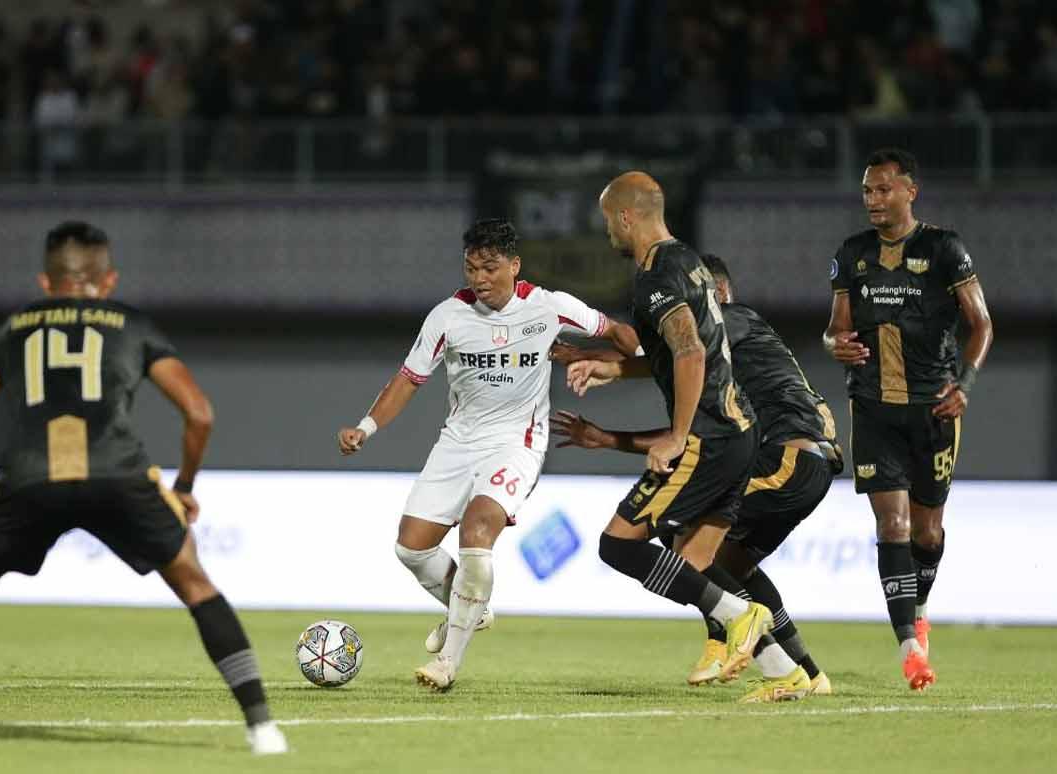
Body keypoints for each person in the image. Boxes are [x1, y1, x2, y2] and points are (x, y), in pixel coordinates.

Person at [0, 222, 287, 754]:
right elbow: (199, 414)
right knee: (195, 584)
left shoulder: (15, 327)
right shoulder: (130, 323)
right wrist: (183, 485)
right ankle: (262, 728)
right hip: (117, 473)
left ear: (46, 283)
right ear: (108, 279)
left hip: (30, 478)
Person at [336, 218, 636, 692]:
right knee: (411, 547)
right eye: (471, 267)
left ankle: (447, 663)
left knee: (477, 532)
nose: (479, 278)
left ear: (514, 266)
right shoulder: (447, 317)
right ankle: (472, 608)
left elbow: (619, 332)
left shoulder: (550, 307)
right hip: (458, 441)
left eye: (490, 268)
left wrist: (619, 365)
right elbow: (408, 379)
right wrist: (366, 427)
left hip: (516, 442)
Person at [553, 252, 840, 700]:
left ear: (714, 293)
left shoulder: (731, 319)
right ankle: (801, 671)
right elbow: (688, 428)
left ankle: (731, 634)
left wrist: (609, 362)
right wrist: (608, 428)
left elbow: (679, 355)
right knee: (726, 561)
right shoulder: (724, 362)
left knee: (681, 540)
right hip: (794, 462)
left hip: (788, 458)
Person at [564, 171, 788, 700]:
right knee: (697, 562)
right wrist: (612, 370)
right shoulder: (687, 261)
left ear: (625, 216)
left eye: (606, 220)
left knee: (617, 545)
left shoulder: (657, 274)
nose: (606, 233)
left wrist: (676, 435)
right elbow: (680, 354)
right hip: (739, 432)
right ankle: (786, 670)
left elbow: (689, 353)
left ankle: (741, 615)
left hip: (707, 436)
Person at [822, 148, 993, 690]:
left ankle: (918, 608)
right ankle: (911, 648)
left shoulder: (944, 248)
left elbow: (982, 325)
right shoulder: (852, 255)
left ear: (910, 191)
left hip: (934, 409)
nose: (873, 200)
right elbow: (834, 330)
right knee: (891, 526)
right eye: (867, 191)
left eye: (883, 189)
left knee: (927, 530)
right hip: (873, 409)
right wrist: (835, 345)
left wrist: (964, 386)